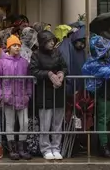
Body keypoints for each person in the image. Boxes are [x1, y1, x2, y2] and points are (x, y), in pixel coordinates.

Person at [29, 31, 68, 160]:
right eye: (49, 41)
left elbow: (64, 66)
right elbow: (33, 70)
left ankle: (56, 147)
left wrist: (62, 73)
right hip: (44, 91)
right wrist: (49, 74)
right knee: (45, 122)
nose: (52, 43)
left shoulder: (57, 52)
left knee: (58, 122)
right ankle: (45, 148)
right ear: (42, 42)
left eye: (53, 40)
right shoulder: (36, 54)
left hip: (58, 91)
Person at [0, 35, 32, 161]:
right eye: (15, 45)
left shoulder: (24, 62)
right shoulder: (2, 62)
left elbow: (29, 81)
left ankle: (22, 147)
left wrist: (28, 94)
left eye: (19, 45)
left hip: (22, 97)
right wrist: (2, 95)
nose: (17, 47)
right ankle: (12, 149)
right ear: (9, 47)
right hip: (8, 98)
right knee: (10, 123)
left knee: (24, 122)